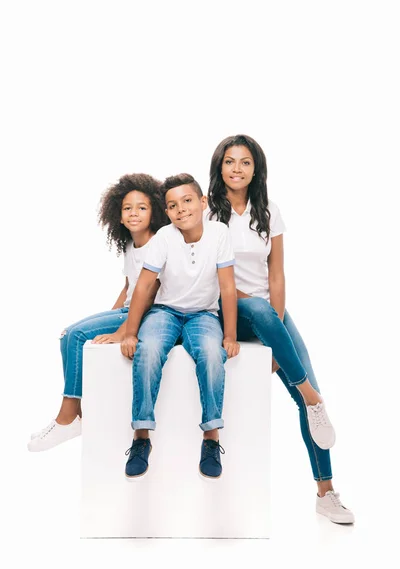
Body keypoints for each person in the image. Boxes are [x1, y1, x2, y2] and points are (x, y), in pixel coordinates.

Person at [207, 134, 354, 524]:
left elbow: (277, 274)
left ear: (256, 169)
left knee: (311, 399)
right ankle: (309, 393)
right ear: (219, 167)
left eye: (245, 162)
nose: (237, 168)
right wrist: (258, 312)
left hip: (269, 312)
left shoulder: (268, 210)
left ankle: (326, 492)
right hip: (228, 308)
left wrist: (276, 321)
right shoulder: (206, 214)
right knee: (254, 305)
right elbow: (210, 276)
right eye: (229, 161)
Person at [28, 173, 169, 452]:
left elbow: (152, 295)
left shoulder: (158, 243)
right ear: (118, 214)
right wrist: (110, 315)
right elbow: (129, 286)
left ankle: (68, 418)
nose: (134, 213)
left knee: (76, 335)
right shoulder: (131, 244)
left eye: (142, 207)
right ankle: (73, 415)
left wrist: (122, 330)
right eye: (128, 208)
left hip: (150, 314)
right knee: (68, 333)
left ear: (154, 211)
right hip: (130, 309)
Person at [121, 173, 240, 480]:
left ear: (202, 203)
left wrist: (230, 335)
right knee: (147, 353)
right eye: (172, 205)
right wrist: (131, 332)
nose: (181, 209)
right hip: (166, 311)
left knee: (213, 356)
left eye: (187, 201)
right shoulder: (163, 237)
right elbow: (145, 286)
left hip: (204, 315)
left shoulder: (219, 233)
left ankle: (211, 438)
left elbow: (227, 288)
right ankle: (141, 437)